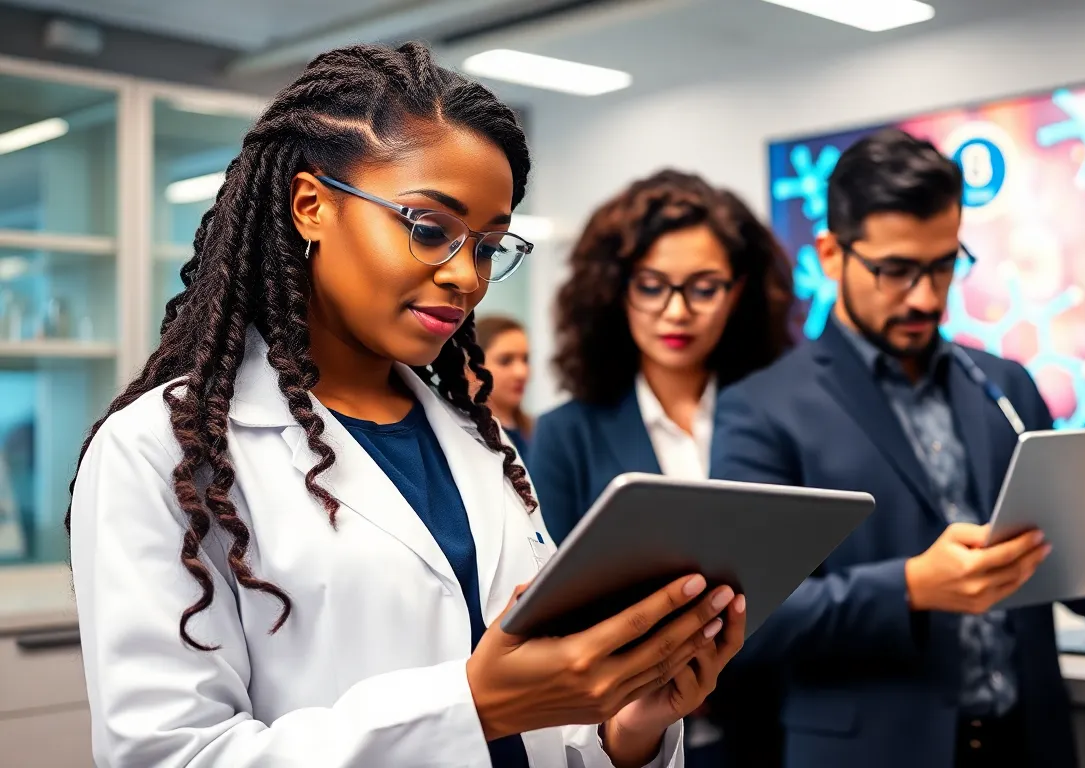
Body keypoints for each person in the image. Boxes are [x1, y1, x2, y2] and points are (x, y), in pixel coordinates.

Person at [66, 42, 747, 768]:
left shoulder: (481, 445)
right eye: (429, 228)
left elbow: (548, 731)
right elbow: (167, 755)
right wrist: (474, 710)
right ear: (310, 205)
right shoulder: (164, 449)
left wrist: (627, 727)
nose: (466, 277)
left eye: (488, 246)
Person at [709, 128, 1085, 768]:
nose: (926, 297)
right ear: (830, 254)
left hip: (1027, 743)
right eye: (896, 271)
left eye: (942, 265)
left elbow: (1067, 571)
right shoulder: (763, 407)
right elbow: (749, 619)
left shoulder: (1005, 386)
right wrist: (908, 587)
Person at [528, 170, 793, 767]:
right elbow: (555, 601)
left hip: (771, 725)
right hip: (622, 735)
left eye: (704, 288)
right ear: (615, 289)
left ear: (738, 290)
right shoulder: (567, 433)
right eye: (652, 286)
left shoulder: (781, 415)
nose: (677, 311)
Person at [476, 314, 533, 462]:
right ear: (475, 367)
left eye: (525, 359)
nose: (521, 372)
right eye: (505, 361)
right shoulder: (468, 435)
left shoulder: (537, 432)